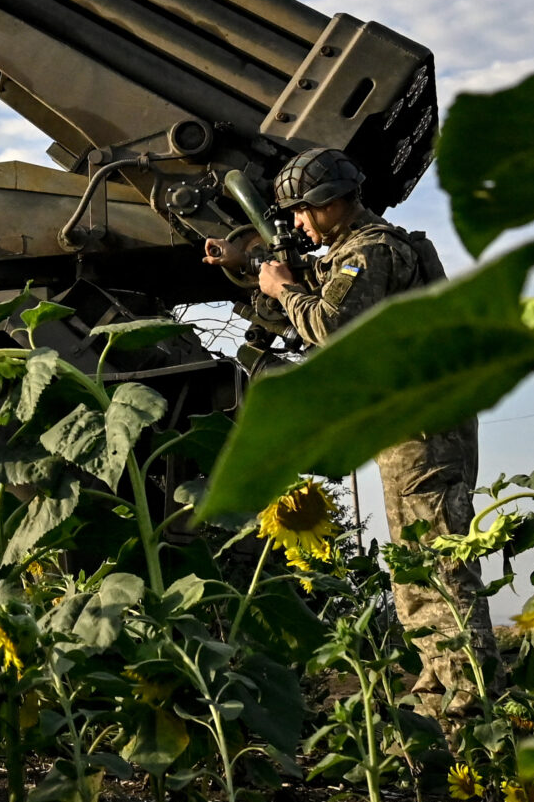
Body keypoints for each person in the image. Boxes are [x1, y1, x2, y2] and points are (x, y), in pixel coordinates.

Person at [201, 148, 496, 715]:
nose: (298, 224)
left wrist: (283, 290)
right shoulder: (361, 251)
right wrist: (248, 265)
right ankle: (439, 688)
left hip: (423, 424)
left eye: (303, 212)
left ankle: (471, 699)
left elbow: (331, 323)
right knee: (415, 559)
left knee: (438, 556)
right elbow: (313, 282)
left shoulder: (373, 251)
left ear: (333, 203)